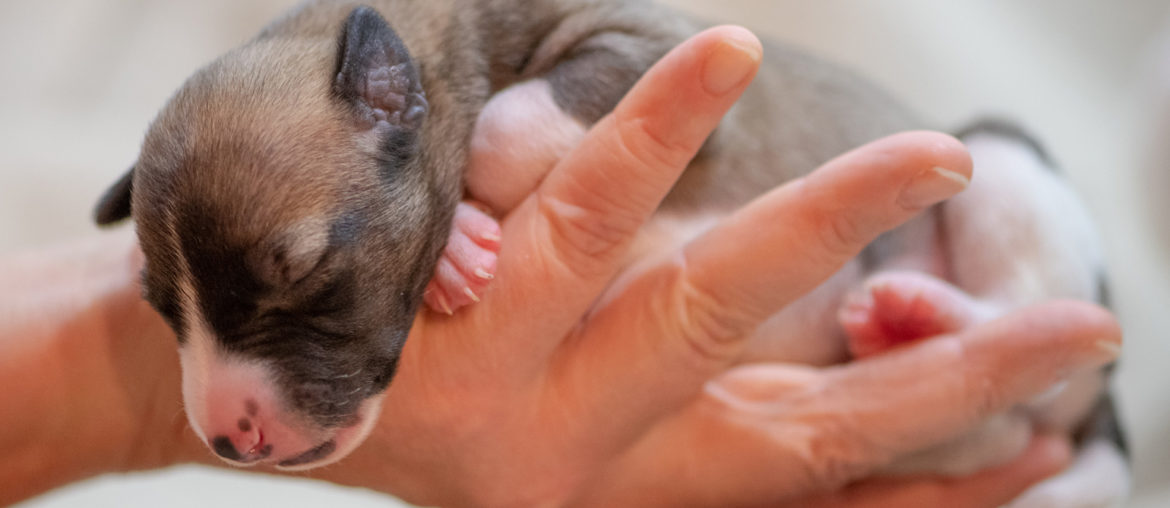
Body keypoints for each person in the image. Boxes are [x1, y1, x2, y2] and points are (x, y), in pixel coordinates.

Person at [0, 26, 1120, 507]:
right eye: (175, 319)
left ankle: (1062, 418)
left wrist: (492, 165)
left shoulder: (507, 64)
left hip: (959, 273)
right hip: (811, 425)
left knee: (1009, 173)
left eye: (294, 282)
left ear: (396, 99)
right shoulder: (367, 160)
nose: (219, 416)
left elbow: (668, 55)